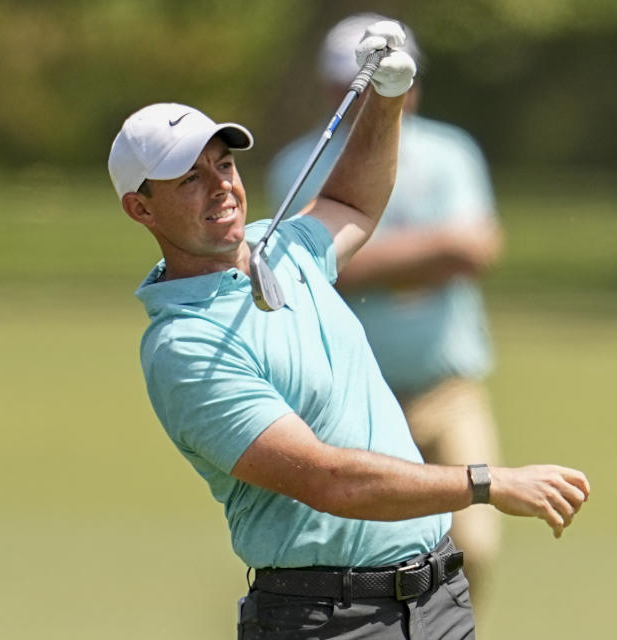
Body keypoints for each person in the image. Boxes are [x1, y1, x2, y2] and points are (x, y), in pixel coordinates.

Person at [109, 20, 590, 639]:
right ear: (140, 208)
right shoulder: (185, 347)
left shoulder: (279, 248)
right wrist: (487, 483)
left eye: (222, 164)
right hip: (328, 620)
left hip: (436, 602)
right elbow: (329, 480)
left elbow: (355, 204)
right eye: (190, 179)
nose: (222, 187)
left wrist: (385, 98)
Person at [267, 14, 504, 612]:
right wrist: (425, 256)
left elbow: (473, 250)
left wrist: (355, 255)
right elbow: (300, 276)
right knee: (354, 556)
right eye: (353, 85)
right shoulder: (297, 164)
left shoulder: (451, 151)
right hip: (342, 398)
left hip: (443, 388)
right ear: (329, 90)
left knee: (473, 543)